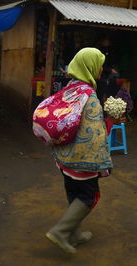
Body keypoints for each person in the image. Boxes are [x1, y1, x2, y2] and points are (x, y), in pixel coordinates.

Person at [46, 48, 125, 254]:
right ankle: (61, 232)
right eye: (98, 64)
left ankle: (75, 233)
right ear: (89, 66)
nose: (101, 69)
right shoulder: (89, 95)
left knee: (74, 194)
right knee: (89, 197)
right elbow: (95, 132)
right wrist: (112, 121)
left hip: (64, 156)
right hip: (82, 159)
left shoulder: (70, 87)